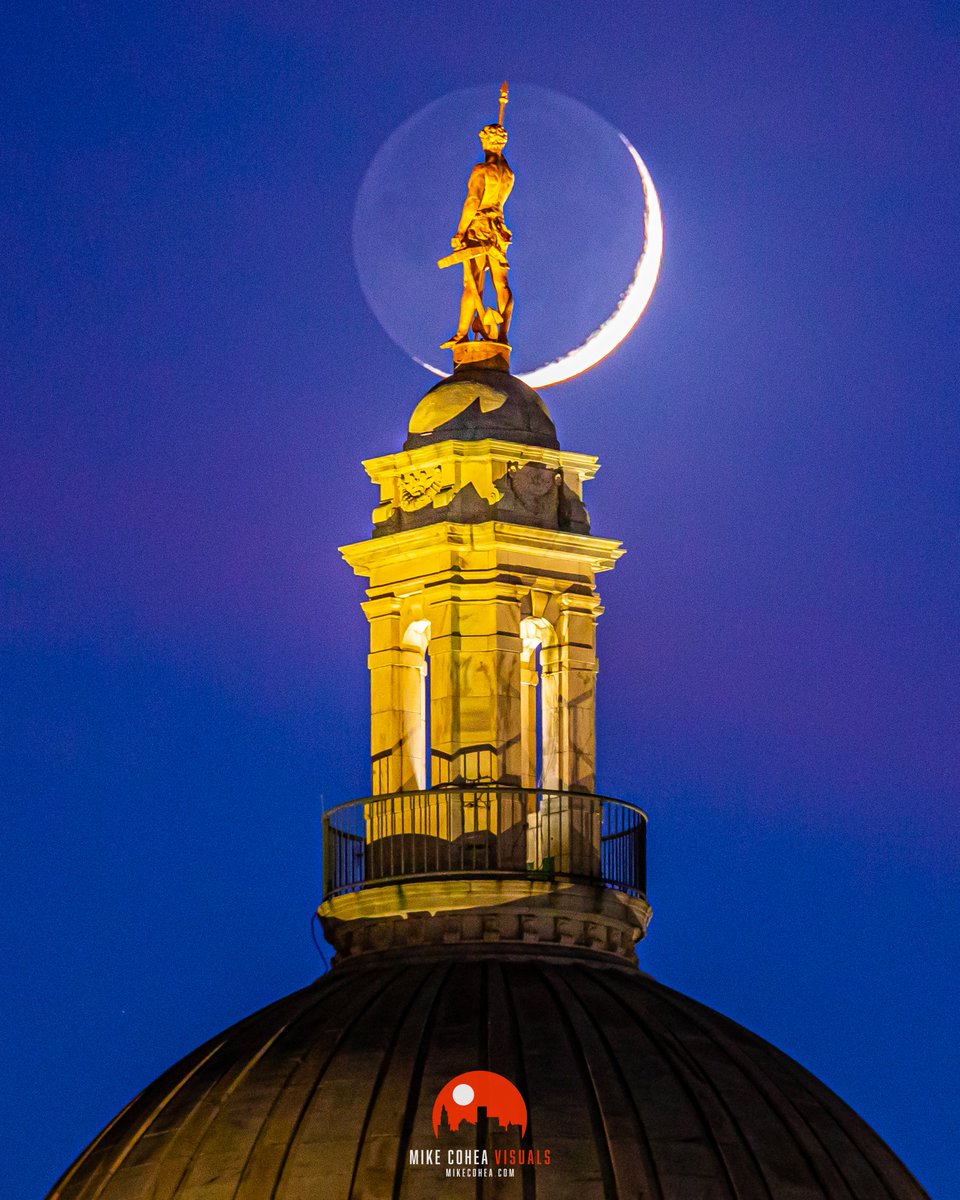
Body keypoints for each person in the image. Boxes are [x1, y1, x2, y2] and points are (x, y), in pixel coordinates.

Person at [441, 123, 515, 348]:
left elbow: (473, 201)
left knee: (472, 282)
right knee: (501, 283)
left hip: (479, 228)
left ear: (486, 142)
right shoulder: (508, 174)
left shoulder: (481, 170)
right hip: (499, 231)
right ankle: (503, 335)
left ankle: (462, 333)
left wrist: (460, 231)